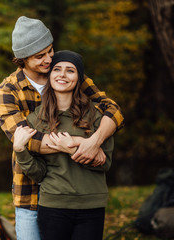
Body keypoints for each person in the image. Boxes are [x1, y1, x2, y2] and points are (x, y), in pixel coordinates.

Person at [0, 16, 123, 240]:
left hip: (77, 189)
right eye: (39, 56)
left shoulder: (66, 74)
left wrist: (94, 141)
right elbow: (29, 142)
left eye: (50, 50)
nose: (48, 59)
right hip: (30, 190)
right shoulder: (6, 91)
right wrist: (79, 144)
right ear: (22, 59)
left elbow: (113, 110)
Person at [13, 50, 114, 240]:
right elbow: (39, 172)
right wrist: (20, 151)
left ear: (78, 77)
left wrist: (72, 147)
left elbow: (105, 163)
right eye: (57, 69)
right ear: (50, 75)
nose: (62, 75)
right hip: (53, 206)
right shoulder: (37, 119)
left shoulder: (96, 116)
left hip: (91, 205)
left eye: (70, 70)